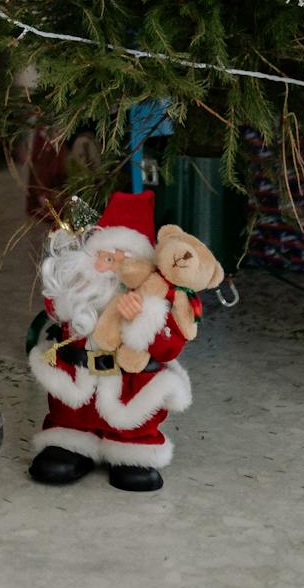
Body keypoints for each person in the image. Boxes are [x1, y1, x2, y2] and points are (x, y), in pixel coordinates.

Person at [26, 193, 193, 490]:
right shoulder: (79, 296)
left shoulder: (154, 301)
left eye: (122, 262)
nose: (111, 269)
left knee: (136, 419)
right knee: (69, 414)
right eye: (106, 258)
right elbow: (57, 308)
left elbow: (170, 347)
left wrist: (143, 320)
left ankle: (131, 451)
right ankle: (70, 444)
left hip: (129, 390)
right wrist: (69, 290)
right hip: (79, 386)